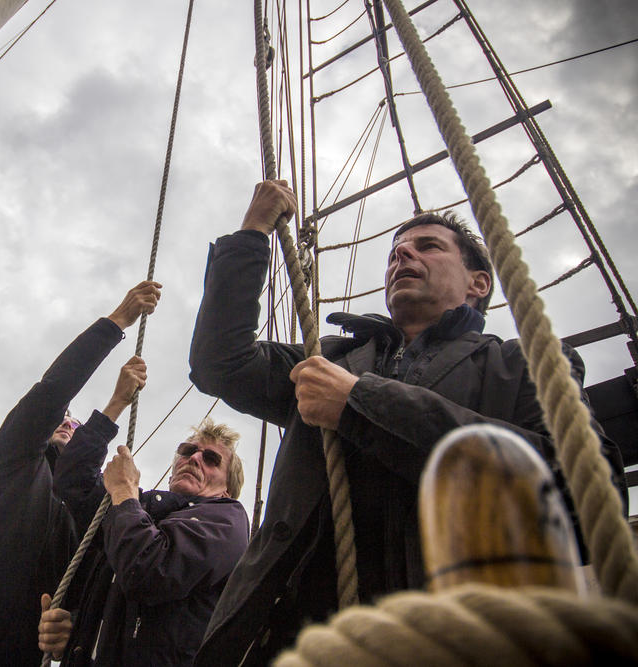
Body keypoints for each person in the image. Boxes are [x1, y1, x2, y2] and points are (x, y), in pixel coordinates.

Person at [187, 180, 627, 664]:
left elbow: (585, 493)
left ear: (478, 284)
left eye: (428, 247)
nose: (402, 257)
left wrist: (361, 403)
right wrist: (252, 235)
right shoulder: (329, 357)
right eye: (395, 253)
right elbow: (221, 363)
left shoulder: (521, 366)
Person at [0, 280, 162, 666]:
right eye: (64, 419)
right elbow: (52, 392)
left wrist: (64, 629)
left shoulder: (84, 513)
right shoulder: (13, 462)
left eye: (74, 422)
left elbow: (80, 592)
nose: (68, 423)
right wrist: (117, 320)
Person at [40, 409, 250, 666]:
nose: (194, 458)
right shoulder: (139, 514)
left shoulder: (227, 521)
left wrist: (125, 492)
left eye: (211, 459)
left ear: (227, 490)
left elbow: (150, 572)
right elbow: (74, 481)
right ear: (173, 471)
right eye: (187, 451)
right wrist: (75, 632)